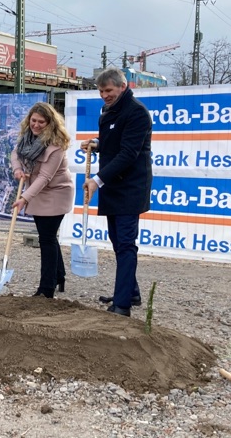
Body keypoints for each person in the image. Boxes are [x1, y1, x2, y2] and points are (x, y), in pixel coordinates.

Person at [81, 68, 153, 317]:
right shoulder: (107, 112)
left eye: (108, 91)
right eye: (101, 91)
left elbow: (128, 153)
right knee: (117, 240)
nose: (104, 95)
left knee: (125, 244)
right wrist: (97, 144)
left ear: (123, 86)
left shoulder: (137, 113)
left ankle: (122, 305)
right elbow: (115, 143)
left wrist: (97, 180)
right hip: (113, 185)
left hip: (130, 188)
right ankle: (130, 292)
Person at [10, 102, 74, 299]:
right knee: (49, 237)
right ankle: (59, 276)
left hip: (56, 192)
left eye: (41, 122)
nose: (36, 125)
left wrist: (23, 198)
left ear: (50, 123)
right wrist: (17, 169)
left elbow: (45, 177)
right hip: (37, 192)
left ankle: (46, 289)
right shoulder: (27, 138)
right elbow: (15, 154)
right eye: (33, 120)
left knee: (46, 239)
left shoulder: (56, 146)